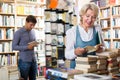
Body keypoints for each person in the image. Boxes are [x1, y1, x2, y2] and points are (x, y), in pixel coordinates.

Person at [65, 3, 104, 69]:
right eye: (87, 16)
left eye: (93, 17)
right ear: (82, 15)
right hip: (77, 70)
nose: (90, 20)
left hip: (93, 69)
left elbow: (103, 47)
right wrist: (75, 52)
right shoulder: (72, 31)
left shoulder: (97, 28)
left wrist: (101, 49)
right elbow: (67, 55)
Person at [12, 15, 37, 80]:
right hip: (24, 62)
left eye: (33, 25)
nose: (32, 27)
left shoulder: (33, 32)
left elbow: (33, 42)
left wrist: (35, 43)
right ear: (26, 22)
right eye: (31, 25)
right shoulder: (18, 33)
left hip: (33, 60)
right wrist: (27, 47)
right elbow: (14, 46)